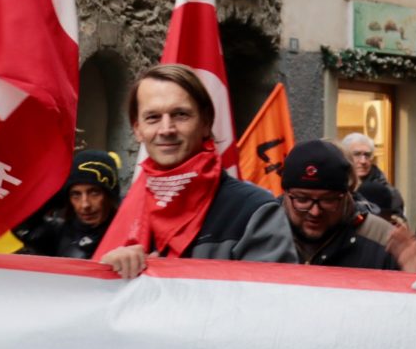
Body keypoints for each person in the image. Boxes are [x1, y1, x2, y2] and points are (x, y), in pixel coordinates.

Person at [96, 64, 296, 276]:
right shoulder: (123, 213)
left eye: (180, 115)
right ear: (137, 129)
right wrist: (109, 277)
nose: (166, 129)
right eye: (153, 117)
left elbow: (270, 303)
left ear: (206, 122)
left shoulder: (255, 211)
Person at [277, 140, 393, 269]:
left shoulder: (382, 238)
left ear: (346, 195)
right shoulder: (261, 231)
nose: (315, 212)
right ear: (286, 195)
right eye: (303, 200)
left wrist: (413, 274)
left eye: (327, 200)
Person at [17, 149, 121, 258]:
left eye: (94, 193)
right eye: (76, 194)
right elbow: (20, 223)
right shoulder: (60, 234)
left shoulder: (128, 232)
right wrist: (55, 196)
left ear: (110, 196)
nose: (85, 205)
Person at [339, 132, 404, 222]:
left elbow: (397, 225)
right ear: (345, 156)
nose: (363, 161)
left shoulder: (388, 192)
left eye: (367, 155)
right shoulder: (337, 187)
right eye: (357, 154)